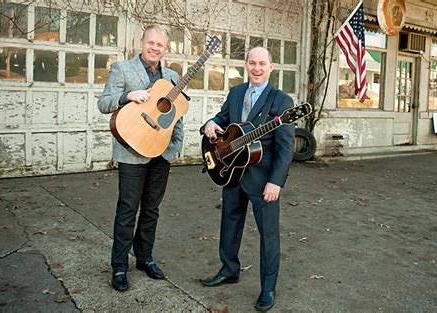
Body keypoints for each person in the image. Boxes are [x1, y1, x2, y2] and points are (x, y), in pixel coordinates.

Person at [200, 47, 294, 311]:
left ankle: (268, 289)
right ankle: (229, 270)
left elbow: (286, 148)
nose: (257, 68)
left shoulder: (281, 101)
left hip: (263, 179)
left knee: (268, 234)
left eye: (262, 63)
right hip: (231, 171)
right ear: (246, 64)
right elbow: (223, 119)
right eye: (252, 63)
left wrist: (276, 181)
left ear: (271, 67)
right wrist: (210, 122)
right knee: (229, 223)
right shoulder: (236, 92)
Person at [97, 25, 183, 292]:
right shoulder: (122, 69)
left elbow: (176, 116)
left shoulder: (172, 76)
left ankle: (144, 257)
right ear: (142, 42)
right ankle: (120, 266)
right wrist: (127, 96)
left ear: (166, 49)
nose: (155, 48)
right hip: (131, 151)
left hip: (161, 151)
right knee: (127, 210)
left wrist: (175, 148)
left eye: (160, 45)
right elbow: (104, 103)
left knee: (151, 210)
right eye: (151, 42)